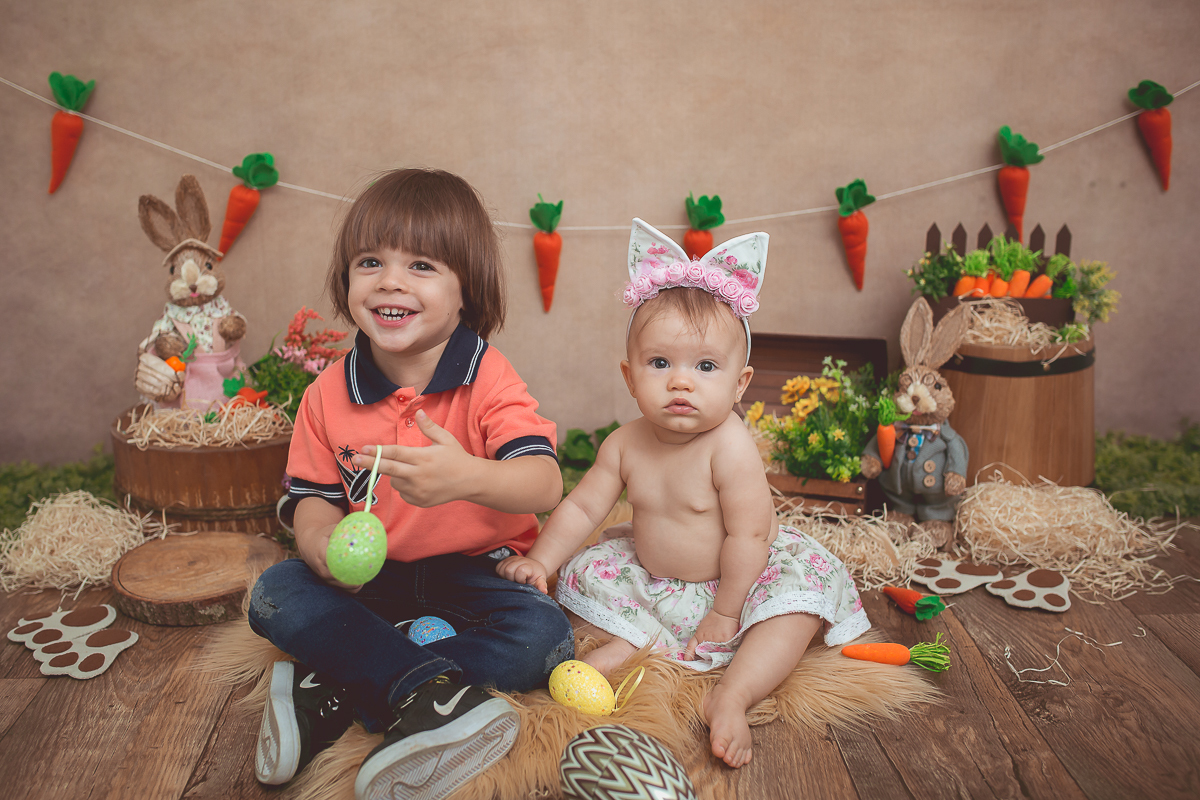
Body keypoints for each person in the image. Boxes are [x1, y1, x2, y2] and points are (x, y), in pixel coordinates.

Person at [248, 169, 573, 800]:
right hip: (374, 582)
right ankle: (425, 695)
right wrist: (320, 546)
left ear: (465, 292)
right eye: (370, 261)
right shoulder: (327, 392)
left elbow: (544, 484)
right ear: (347, 281)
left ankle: (338, 685)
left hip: (479, 575)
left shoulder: (487, 379)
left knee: (543, 639)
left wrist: (469, 478)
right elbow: (311, 498)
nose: (390, 281)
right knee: (275, 592)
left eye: (421, 265)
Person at [497, 219, 870, 769]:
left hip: (739, 576)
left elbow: (748, 532)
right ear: (630, 376)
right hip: (657, 581)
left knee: (799, 602)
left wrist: (726, 610)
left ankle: (734, 695)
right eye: (660, 363)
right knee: (580, 575)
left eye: (705, 367)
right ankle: (634, 643)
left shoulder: (731, 447)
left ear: (740, 383)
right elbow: (581, 505)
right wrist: (542, 560)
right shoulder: (625, 443)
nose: (681, 381)